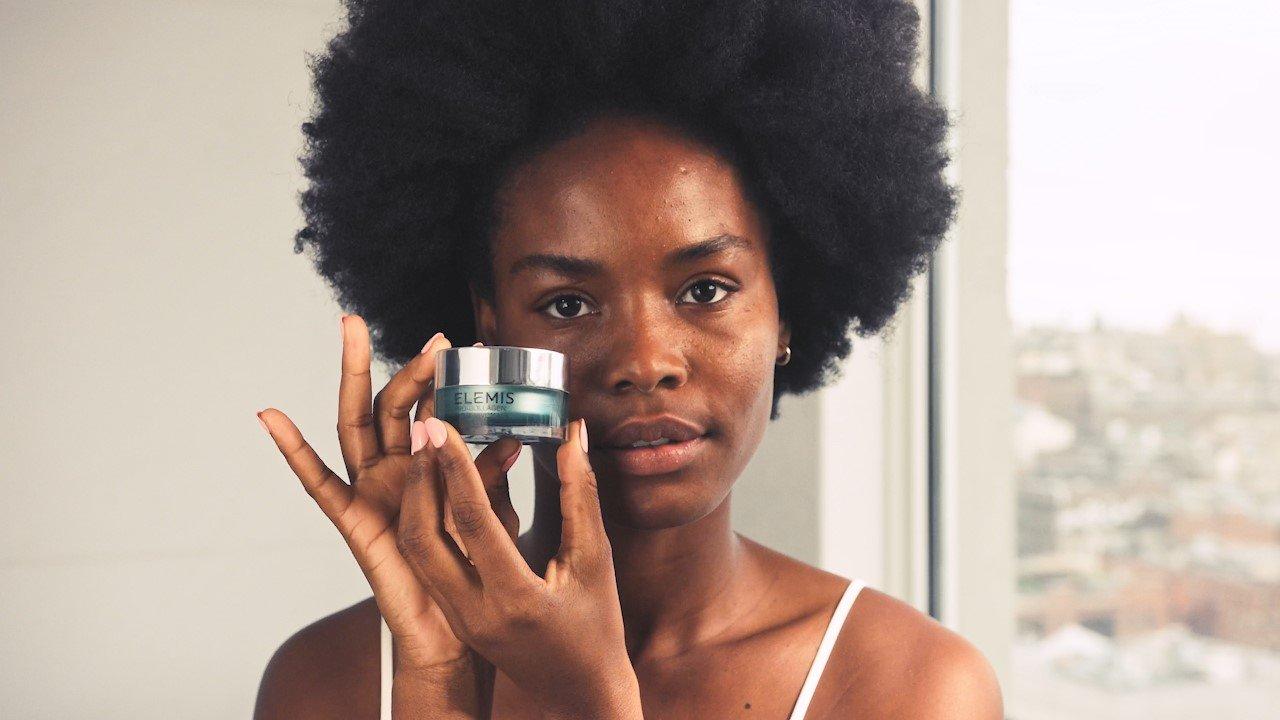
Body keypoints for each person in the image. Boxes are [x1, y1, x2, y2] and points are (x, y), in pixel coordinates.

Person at [254, 0, 1002, 717]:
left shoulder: (911, 688)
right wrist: (438, 683)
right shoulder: (330, 684)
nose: (644, 362)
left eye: (705, 290)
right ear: (490, 325)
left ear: (786, 311)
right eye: (567, 304)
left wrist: (585, 702)